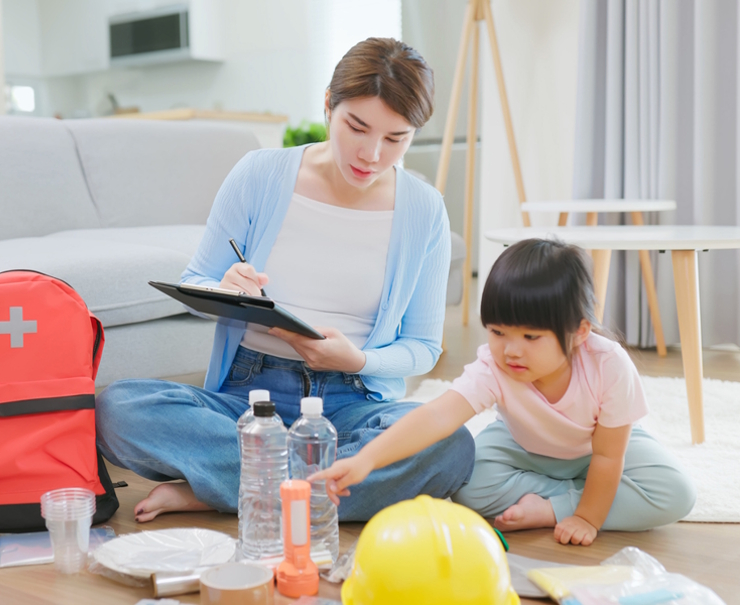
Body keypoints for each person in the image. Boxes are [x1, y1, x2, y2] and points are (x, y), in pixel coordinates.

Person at [95, 37, 475, 523]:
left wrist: (358, 359)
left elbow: (422, 347)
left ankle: (231, 487)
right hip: (248, 398)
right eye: (357, 127)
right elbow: (196, 285)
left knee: (451, 443)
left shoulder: (424, 209)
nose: (372, 154)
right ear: (328, 105)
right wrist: (225, 288)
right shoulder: (260, 175)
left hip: (354, 402)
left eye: (396, 139)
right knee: (118, 409)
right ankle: (304, 489)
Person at [311, 238, 697, 545]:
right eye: (498, 332)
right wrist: (366, 460)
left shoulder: (608, 364)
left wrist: (584, 516)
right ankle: (577, 495)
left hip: (598, 448)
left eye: (530, 337)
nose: (511, 350)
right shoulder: (494, 366)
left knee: (675, 493)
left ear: (579, 332)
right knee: (469, 489)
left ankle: (552, 507)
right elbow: (438, 414)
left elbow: (610, 457)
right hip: (523, 446)